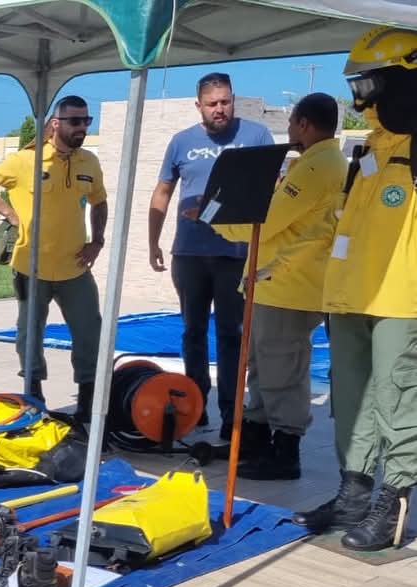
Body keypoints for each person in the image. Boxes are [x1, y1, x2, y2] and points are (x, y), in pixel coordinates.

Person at [294, 27, 417, 551]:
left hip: (400, 299)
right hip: (348, 297)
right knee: (351, 401)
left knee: (397, 400)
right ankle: (353, 495)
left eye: (367, 86)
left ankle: (395, 505)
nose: (359, 101)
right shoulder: (367, 150)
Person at [209, 93, 346, 480]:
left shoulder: (317, 167)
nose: (288, 130)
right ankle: (254, 437)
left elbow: (266, 221)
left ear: (304, 124)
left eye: (290, 123)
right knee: (262, 365)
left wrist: (215, 220)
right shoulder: (318, 163)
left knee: (283, 369)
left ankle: (285, 451)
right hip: (274, 282)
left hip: (288, 285)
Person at [149, 72, 274, 441]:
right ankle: (195, 404)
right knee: (193, 332)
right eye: (212, 104)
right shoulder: (181, 142)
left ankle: (232, 413)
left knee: (232, 333)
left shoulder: (256, 136)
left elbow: (271, 190)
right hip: (189, 253)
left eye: (225, 102)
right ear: (198, 106)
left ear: (233, 100)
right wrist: (153, 242)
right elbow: (162, 193)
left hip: (235, 255)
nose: (220, 109)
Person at [0, 96, 107, 418]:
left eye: (87, 121)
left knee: (89, 333)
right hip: (31, 266)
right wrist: (9, 213)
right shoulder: (24, 161)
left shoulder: (89, 161)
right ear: (55, 124)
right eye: (75, 121)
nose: (82, 128)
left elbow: (99, 201)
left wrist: (97, 241)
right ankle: (34, 398)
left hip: (74, 267)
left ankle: (87, 404)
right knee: (29, 335)